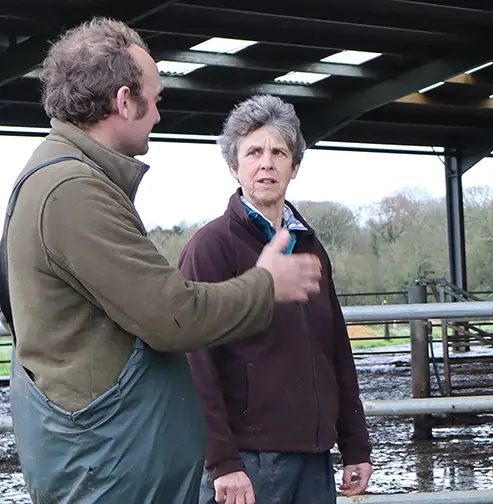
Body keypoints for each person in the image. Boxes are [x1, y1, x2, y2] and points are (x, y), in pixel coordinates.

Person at [0, 17, 325, 504]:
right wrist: (265, 283)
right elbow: (172, 316)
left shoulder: (62, 177)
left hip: (109, 457)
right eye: (153, 99)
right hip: (109, 467)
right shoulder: (73, 191)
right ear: (124, 101)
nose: (157, 113)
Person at [179, 94, 373, 504]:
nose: (266, 162)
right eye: (253, 152)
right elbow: (196, 362)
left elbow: (335, 346)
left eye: (278, 152)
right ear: (234, 166)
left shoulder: (311, 247)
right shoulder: (211, 247)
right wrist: (222, 462)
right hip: (248, 461)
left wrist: (355, 445)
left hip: (314, 456)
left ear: (294, 166)